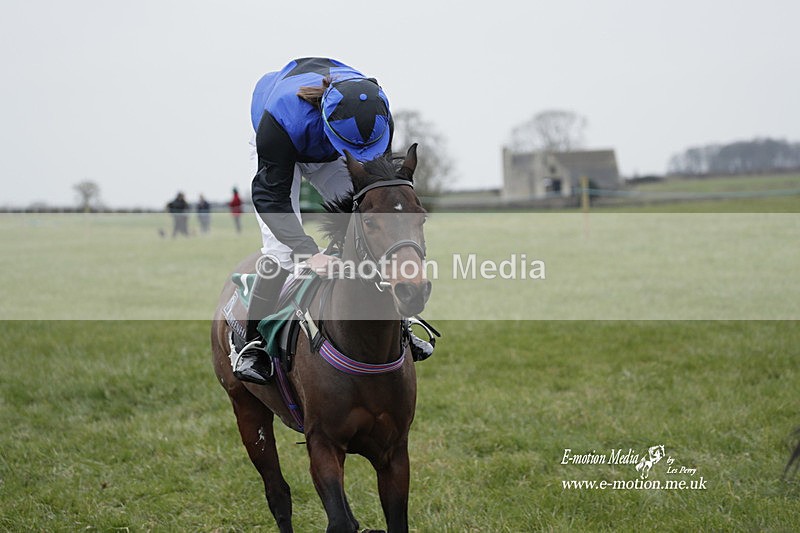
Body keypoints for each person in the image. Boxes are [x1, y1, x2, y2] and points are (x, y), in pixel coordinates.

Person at [231, 57, 394, 384]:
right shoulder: (281, 120)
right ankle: (253, 344)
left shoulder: (377, 111)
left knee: (367, 228)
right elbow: (271, 198)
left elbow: (377, 184)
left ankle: (399, 327)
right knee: (280, 252)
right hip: (283, 147)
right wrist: (308, 252)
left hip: (330, 147)